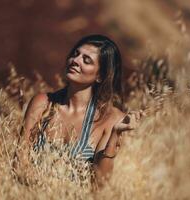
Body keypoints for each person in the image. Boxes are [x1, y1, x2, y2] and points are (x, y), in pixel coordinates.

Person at [14, 34, 141, 188]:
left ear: (100, 76)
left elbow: (99, 185)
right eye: (75, 54)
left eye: (86, 60)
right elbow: (19, 164)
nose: (75, 60)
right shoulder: (43, 103)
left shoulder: (111, 118)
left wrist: (115, 135)